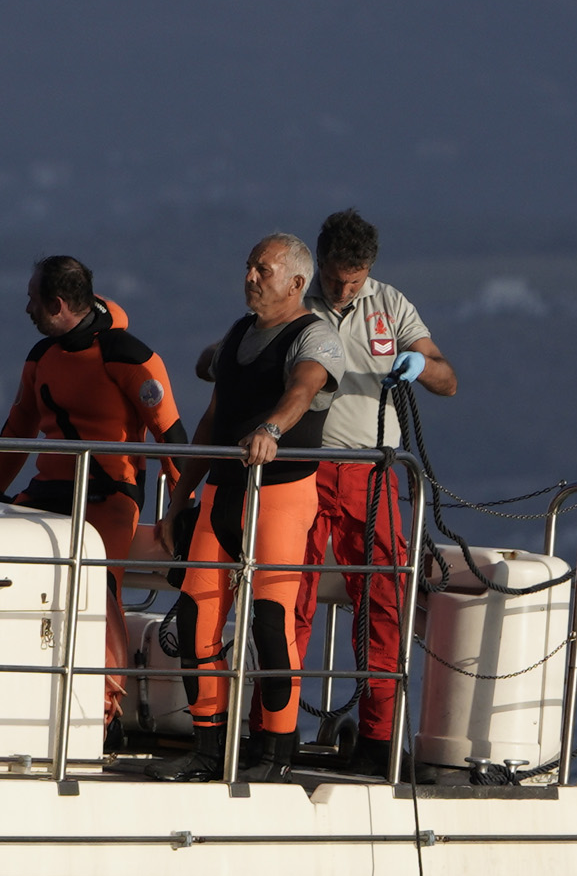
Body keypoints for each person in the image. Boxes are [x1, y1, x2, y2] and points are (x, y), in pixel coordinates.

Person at [0, 256, 185, 740]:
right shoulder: (41, 356)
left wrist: (181, 510)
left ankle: (102, 711)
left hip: (109, 493)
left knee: (98, 590)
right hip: (50, 487)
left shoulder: (128, 356)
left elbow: (173, 438)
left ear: (57, 304)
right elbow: (18, 430)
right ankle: (9, 691)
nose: (26, 308)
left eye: (33, 299)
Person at [164, 234, 345, 782]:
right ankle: (209, 746)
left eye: (261, 270)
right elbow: (213, 416)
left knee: (271, 621)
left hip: (280, 494)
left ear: (295, 283)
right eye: (247, 266)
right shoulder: (239, 332)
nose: (249, 277)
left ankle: (277, 752)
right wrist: (180, 495)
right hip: (223, 491)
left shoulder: (316, 335)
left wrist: (271, 428)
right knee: (197, 616)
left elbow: (303, 387)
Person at [302, 208, 452, 768]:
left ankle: (380, 737)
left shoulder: (391, 303)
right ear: (318, 263)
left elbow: (448, 378)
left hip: (372, 471)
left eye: (355, 279)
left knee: (386, 599)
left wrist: (418, 365)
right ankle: (271, 727)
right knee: (289, 597)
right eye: (337, 277)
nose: (345, 288)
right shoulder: (293, 298)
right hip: (304, 468)